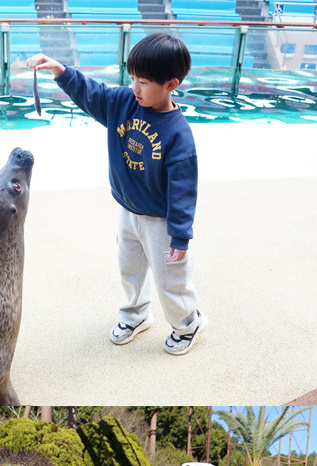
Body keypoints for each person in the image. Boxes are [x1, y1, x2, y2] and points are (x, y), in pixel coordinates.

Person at [27, 33, 205, 355]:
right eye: (132, 78)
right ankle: (136, 315)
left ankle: (188, 323)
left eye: (144, 82)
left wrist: (180, 236)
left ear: (171, 84)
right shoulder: (123, 103)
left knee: (171, 281)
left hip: (162, 223)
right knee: (130, 270)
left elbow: (183, 191)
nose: (135, 87)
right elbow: (91, 93)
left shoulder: (179, 136)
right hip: (127, 211)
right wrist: (59, 70)